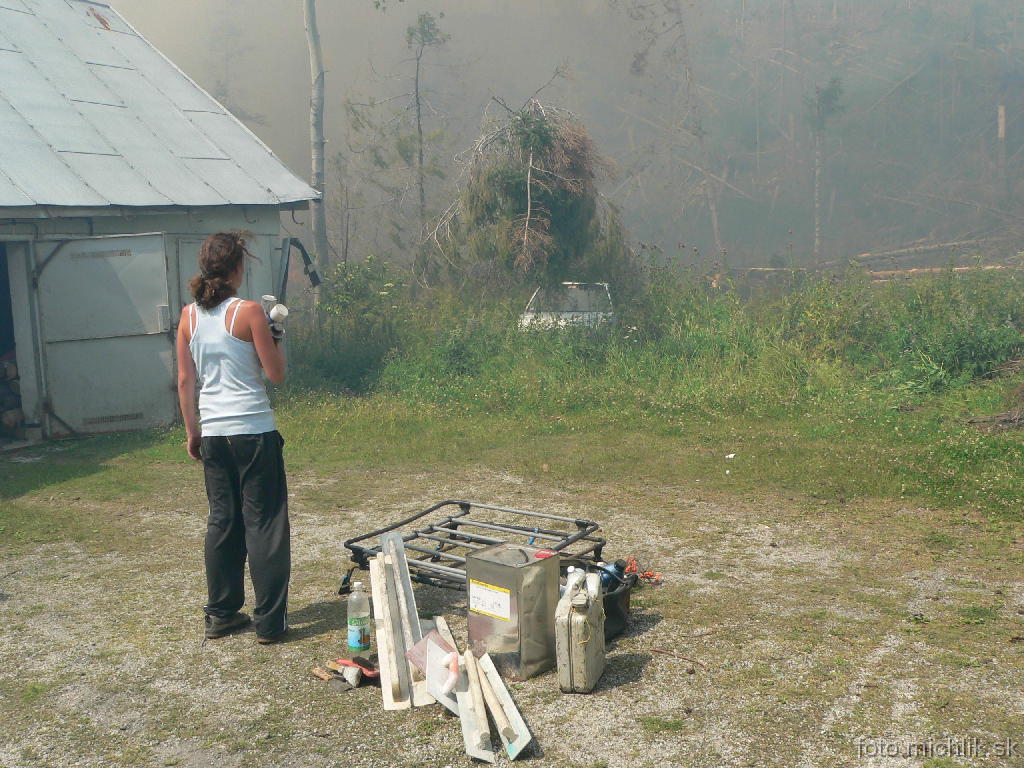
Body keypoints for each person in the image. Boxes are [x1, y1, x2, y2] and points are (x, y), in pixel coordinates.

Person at [175, 231, 290, 644]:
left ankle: (222, 613)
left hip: (215, 433)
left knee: (223, 522)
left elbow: (186, 380)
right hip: (254, 430)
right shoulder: (250, 312)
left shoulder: (188, 317)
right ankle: (269, 623)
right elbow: (274, 373)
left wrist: (194, 431)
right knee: (265, 524)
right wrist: (277, 341)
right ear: (238, 268)